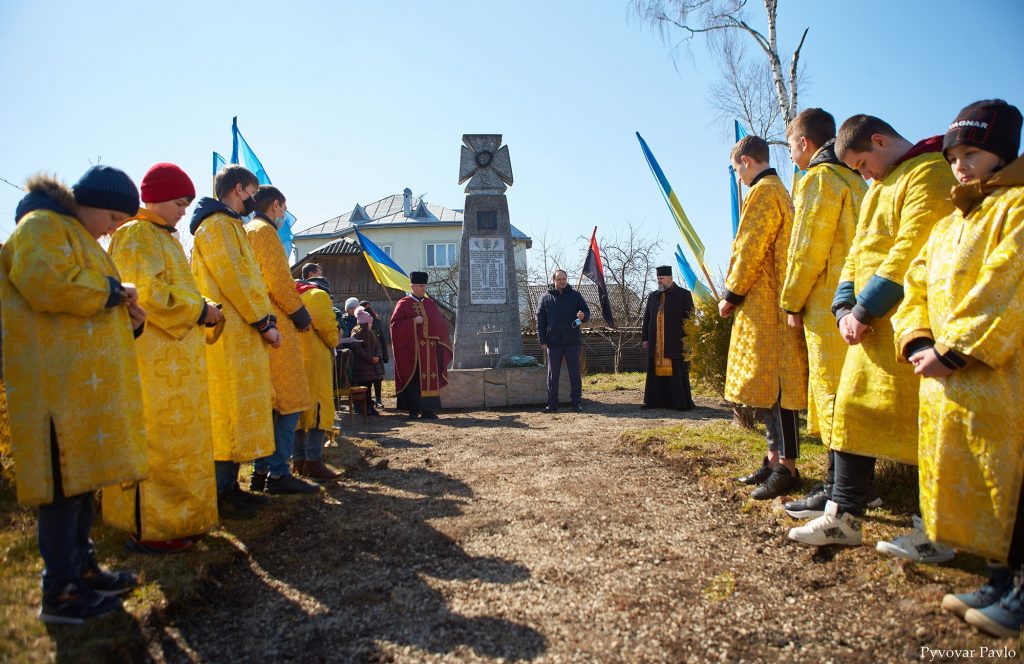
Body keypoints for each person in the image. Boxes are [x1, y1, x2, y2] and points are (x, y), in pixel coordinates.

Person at [788, 115, 957, 553]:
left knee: (923, 425)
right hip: (867, 329)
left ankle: (936, 532)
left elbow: (912, 248)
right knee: (851, 413)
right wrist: (844, 306)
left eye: (864, 163)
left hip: (910, 326)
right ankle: (842, 518)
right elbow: (856, 253)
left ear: (879, 141)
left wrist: (865, 309)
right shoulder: (880, 186)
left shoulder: (929, 173)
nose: (864, 174)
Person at [891, 99, 1024, 638]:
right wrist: (918, 338)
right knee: (978, 475)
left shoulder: (1015, 208)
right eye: (953, 157)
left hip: (1002, 373)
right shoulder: (949, 223)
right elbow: (915, 283)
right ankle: (998, 579)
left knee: (1012, 474)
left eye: (972, 153)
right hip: (949, 374)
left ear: (1002, 152)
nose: (961, 166)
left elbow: (1008, 280)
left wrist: (956, 348)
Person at [1, 166, 147, 623]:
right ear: (92, 202)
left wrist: (129, 320)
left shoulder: (72, 232)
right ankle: (60, 592)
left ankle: (83, 571)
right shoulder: (42, 225)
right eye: (113, 218)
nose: (112, 230)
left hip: (76, 390)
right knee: (63, 491)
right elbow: (47, 282)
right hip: (53, 390)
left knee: (81, 485)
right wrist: (112, 291)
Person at [103, 163, 220, 555]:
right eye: (178, 202)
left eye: (187, 204)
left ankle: (184, 518)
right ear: (153, 197)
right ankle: (150, 527)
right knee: (157, 442)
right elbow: (149, 294)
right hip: (150, 361)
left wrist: (201, 304)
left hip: (175, 360)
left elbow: (177, 288)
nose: (183, 211)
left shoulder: (165, 237)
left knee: (181, 445)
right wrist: (200, 310)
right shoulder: (137, 234)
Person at [778, 109, 868, 519]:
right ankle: (861, 486)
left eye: (791, 144)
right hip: (859, 299)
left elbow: (806, 247)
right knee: (855, 392)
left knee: (833, 391)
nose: (792, 153)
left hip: (827, 301)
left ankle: (836, 488)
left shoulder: (817, 179)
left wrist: (792, 299)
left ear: (804, 143)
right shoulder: (856, 177)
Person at [719, 136, 808, 501]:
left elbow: (751, 246)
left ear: (747, 160)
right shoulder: (774, 190)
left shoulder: (764, 192)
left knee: (779, 388)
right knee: (766, 388)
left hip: (769, 306)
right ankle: (773, 460)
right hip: (766, 306)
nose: (737, 176)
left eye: (737, 168)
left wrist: (732, 294)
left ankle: (787, 467)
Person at [189, 165, 278, 519]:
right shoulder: (217, 226)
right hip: (228, 333)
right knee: (226, 413)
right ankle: (220, 492)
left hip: (240, 333)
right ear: (239, 189)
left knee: (237, 414)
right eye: (252, 193)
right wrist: (263, 321)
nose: (254, 201)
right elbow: (236, 279)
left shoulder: (227, 225)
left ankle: (231, 487)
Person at [244, 185, 317, 495]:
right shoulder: (264, 232)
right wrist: (299, 313)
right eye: (284, 210)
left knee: (270, 404)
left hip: (260, 323)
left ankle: (261, 473)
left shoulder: (247, 229)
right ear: (276, 206)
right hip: (277, 323)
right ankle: (277, 472)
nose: (284, 216)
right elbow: (278, 279)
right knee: (289, 402)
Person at [294, 273, 343, 481]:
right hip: (314, 362)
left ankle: (298, 461)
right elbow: (328, 331)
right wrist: (335, 337)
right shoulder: (318, 296)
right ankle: (313, 460)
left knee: (297, 413)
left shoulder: (292, 295)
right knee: (318, 410)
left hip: (294, 360)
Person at [390, 271, 453, 419]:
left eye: (424, 285)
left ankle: (427, 410)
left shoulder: (430, 303)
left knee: (430, 378)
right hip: (412, 350)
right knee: (414, 379)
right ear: (412, 286)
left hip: (429, 349)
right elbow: (394, 326)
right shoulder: (403, 303)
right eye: (420, 285)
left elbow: (439, 323)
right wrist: (413, 322)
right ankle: (413, 410)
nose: (423, 288)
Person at [640, 266, 695, 411]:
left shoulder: (683, 295)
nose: (659, 281)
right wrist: (645, 338)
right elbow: (647, 319)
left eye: (662, 279)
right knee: (654, 373)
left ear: (670, 279)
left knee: (676, 373)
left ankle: (679, 403)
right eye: (658, 279)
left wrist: (688, 338)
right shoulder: (653, 296)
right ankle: (654, 402)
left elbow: (690, 319)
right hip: (656, 343)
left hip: (674, 342)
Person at [536, 269, 590, 413]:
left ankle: (576, 402)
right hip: (553, 343)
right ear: (553, 280)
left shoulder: (575, 296)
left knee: (575, 373)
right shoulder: (545, 298)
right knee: (553, 375)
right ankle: (552, 404)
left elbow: (587, 313)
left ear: (567, 279)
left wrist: (583, 316)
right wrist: (542, 340)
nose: (562, 281)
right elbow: (540, 322)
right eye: (559, 279)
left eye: (564, 279)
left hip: (573, 341)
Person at [350, 306, 384, 415]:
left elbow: (377, 347)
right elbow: (359, 351)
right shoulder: (356, 334)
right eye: (370, 323)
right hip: (362, 367)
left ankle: (369, 406)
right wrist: (370, 359)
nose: (371, 324)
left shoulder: (371, 334)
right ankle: (362, 407)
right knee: (365, 388)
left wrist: (378, 356)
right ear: (365, 324)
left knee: (369, 386)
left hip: (372, 366)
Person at [360, 300, 389, 409]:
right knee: (367, 378)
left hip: (377, 352)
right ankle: (368, 401)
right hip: (366, 353)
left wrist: (385, 355)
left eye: (368, 307)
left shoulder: (376, 321)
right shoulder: (359, 320)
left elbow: (382, 339)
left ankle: (378, 399)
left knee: (378, 377)